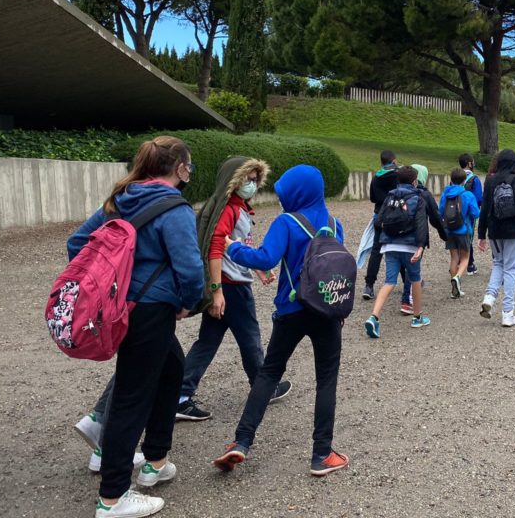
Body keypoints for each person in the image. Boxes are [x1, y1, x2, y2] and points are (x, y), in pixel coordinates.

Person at [68, 136, 203, 518]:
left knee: (172, 370)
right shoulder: (175, 208)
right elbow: (190, 269)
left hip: (121, 309)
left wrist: (110, 283)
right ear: (180, 168)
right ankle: (112, 498)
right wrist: (187, 302)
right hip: (153, 310)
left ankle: (156, 460)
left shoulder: (121, 199)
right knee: (132, 396)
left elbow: (77, 244)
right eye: (189, 166)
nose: (190, 172)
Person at [213, 165, 348, 478]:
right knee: (326, 380)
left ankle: (241, 441)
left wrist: (233, 247)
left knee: (269, 373)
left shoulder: (286, 222)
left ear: (295, 192)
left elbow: (265, 258)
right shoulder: (334, 224)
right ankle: (322, 454)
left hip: (292, 310)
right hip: (326, 311)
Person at [175, 157, 291, 422]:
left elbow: (235, 246)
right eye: (248, 179)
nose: (252, 184)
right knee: (250, 338)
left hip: (230, 284)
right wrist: (216, 291)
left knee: (207, 342)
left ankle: (179, 396)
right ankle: (264, 387)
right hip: (232, 287)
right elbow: (215, 250)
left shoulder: (238, 208)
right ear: (233, 180)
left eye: (255, 180)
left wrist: (257, 267)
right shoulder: (229, 210)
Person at [364, 166, 433, 337]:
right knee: (415, 279)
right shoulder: (418, 198)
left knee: (389, 282)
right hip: (410, 246)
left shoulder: (390, 196)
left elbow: (379, 220)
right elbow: (421, 224)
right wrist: (420, 246)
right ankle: (417, 317)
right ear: (415, 181)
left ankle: (374, 316)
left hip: (389, 245)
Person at [477, 149, 515, 327]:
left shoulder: (490, 180)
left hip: (494, 230)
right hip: (512, 229)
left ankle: (489, 297)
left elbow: (484, 208)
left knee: (498, 264)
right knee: (511, 269)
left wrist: (481, 234)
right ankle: (507, 313)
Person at [408, 163, 449, 311]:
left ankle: (410, 287)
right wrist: (445, 235)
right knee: (413, 265)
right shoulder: (424, 194)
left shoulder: (397, 192)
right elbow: (435, 218)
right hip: (418, 236)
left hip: (395, 236)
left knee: (402, 263)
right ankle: (409, 297)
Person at [362, 150, 400, 300]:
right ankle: (411, 281)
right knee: (400, 248)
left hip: (379, 216)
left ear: (381, 162)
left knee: (376, 252)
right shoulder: (398, 175)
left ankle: (369, 285)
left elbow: (373, 198)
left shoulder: (376, 177)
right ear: (394, 161)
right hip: (396, 216)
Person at [439, 167, 481, 298]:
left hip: (449, 230)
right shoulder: (468, 195)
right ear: (464, 181)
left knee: (454, 258)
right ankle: (457, 277)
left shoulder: (445, 194)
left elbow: (440, 212)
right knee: (465, 258)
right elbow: (476, 213)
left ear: (451, 179)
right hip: (463, 230)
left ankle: (455, 290)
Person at [459, 153, 483, 275]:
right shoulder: (474, 179)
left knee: (458, 234)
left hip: (455, 212)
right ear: (469, 164)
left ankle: (458, 261)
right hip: (469, 214)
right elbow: (478, 198)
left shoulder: (456, 176)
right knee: (468, 237)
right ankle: (469, 263)